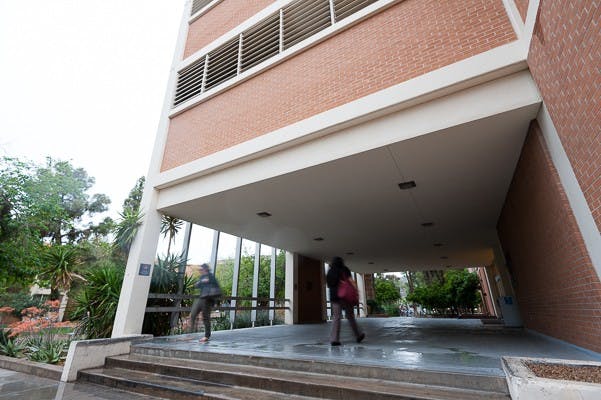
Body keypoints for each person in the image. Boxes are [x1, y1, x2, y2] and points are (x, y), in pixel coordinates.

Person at [326, 256, 365, 346]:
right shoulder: (344, 269)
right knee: (350, 316)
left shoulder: (330, 271)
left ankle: (334, 339)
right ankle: (358, 335)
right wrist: (356, 291)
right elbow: (351, 281)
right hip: (345, 296)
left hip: (334, 297)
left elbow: (328, 284)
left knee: (336, 318)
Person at [190, 263, 222, 343]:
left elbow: (217, 288)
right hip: (201, 298)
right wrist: (198, 283)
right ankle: (190, 334)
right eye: (200, 270)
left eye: (201, 269)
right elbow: (197, 285)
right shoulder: (201, 277)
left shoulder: (211, 277)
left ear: (205, 269)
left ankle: (207, 336)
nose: (200, 271)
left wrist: (206, 282)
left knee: (205, 318)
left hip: (208, 300)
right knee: (193, 314)